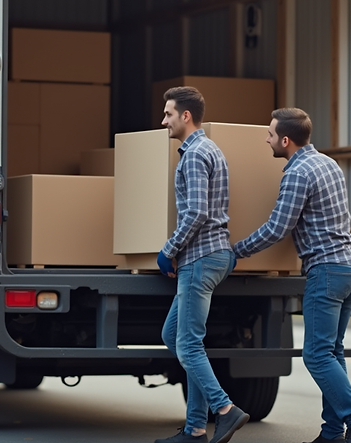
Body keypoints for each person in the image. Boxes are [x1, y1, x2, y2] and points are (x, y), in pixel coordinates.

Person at [231, 108, 351, 443]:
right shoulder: (329, 163)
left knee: (316, 355)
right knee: (333, 352)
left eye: (270, 134)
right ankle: (331, 434)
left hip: (327, 271)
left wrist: (235, 251)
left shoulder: (297, 173)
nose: (266, 139)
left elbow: (277, 228)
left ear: (285, 140)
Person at [154, 86, 249, 443]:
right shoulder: (211, 149)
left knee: (189, 345)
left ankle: (225, 410)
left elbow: (197, 211)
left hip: (200, 256)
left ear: (186, 116)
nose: (164, 120)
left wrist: (170, 249)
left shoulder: (194, 155)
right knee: (175, 337)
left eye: (168, 114)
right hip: (214, 254)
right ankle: (195, 429)